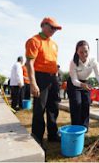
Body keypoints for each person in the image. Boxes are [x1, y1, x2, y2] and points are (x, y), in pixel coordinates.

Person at [25, 17, 62, 146]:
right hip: (40, 77)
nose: (54, 30)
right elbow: (29, 63)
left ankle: (52, 134)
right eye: (52, 27)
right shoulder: (34, 41)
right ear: (43, 25)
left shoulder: (54, 44)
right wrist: (33, 83)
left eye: (56, 29)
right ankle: (37, 137)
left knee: (54, 107)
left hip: (53, 77)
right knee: (39, 108)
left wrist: (56, 77)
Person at [67, 40, 99, 130]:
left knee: (86, 103)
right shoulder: (73, 62)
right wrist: (82, 85)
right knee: (77, 103)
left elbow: (98, 74)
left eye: (86, 51)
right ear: (77, 51)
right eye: (81, 52)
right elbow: (74, 80)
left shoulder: (93, 60)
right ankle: (76, 127)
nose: (84, 54)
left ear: (89, 51)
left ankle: (84, 128)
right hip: (74, 84)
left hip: (86, 82)